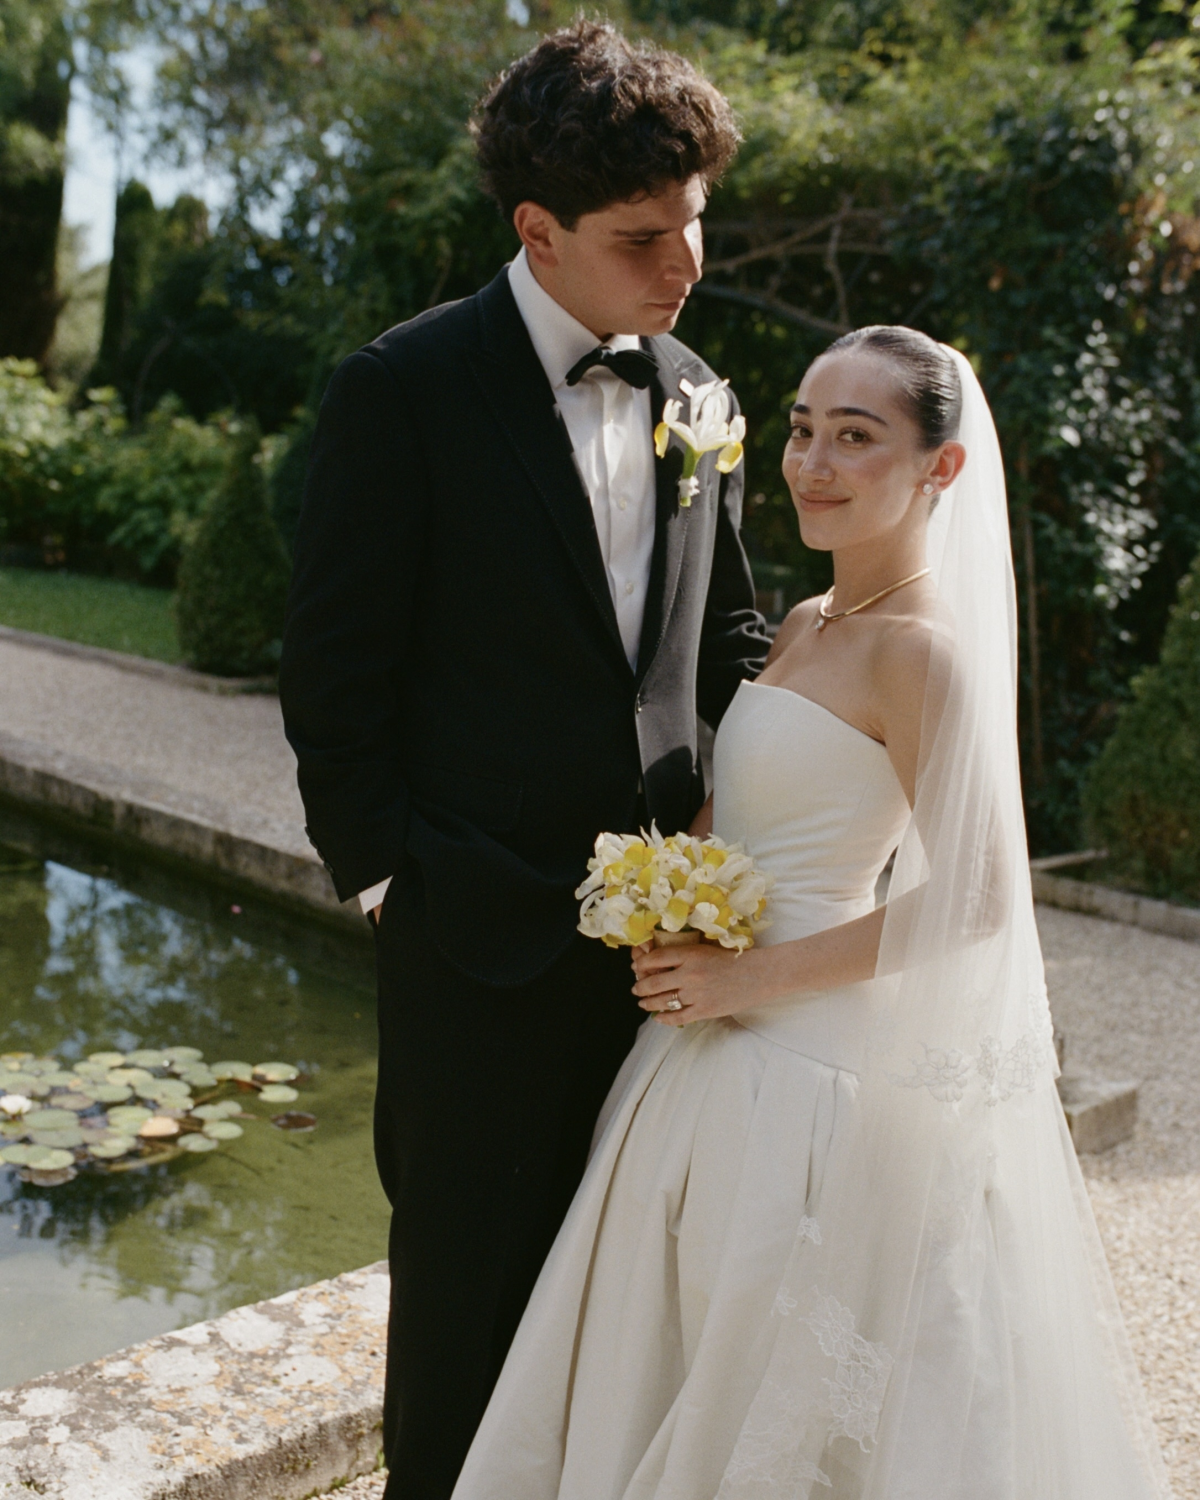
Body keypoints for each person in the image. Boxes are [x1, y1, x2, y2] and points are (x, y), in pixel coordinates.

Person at [450, 328, 1171, 1498]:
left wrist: (745, 980)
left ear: (940, 467)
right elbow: (746, 810)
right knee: (667, 1355)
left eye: (856, 437)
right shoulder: (804, 623)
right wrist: (667, 893)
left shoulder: (921, 655)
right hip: (698, 1047)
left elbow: (979, 898)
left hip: (804, 1069)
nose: (812, 463)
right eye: (800, 430)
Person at [278, 21, 769, 1498]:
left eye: (694, 221)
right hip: (475, 938)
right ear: (537, 231)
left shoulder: (699, 393)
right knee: (466, 1318)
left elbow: (725, 637)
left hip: (674, 953)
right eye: (643, 238)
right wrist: (393, 885)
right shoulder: (402, 388)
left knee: (635, 1311)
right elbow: (334, 673)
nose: (685, 263)